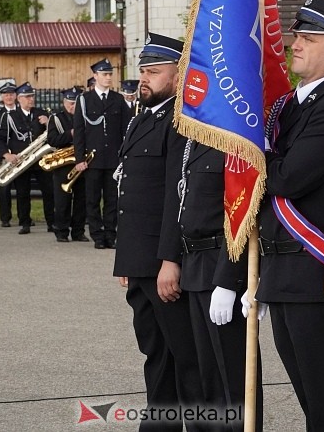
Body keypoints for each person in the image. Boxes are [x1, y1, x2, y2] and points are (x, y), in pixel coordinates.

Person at [253, 0, 324, 431]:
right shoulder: (289, 106)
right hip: (284, 272)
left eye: (307, 37)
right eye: (295, 36)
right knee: (311, 400)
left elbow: (289, 178)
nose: (294, 44)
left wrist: (253, 152)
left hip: (318, 272)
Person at [113, 33, 204, 426]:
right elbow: (131, 192)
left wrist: (171, 259)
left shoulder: (180, 120)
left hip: (162, 263)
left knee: (186, 358)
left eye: (153, 71)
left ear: (179, 73)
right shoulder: (143, 117)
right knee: (156, 353)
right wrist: (127, 261)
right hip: (140, 260)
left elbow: (175, 195)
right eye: (142, 70)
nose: (144, 78)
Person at [178, 139, 261, 429]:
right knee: (209, 378)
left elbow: (243, 213)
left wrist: (228, 279)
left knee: (234, 380)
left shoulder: (233, 139)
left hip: (222, 266)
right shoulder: (199, 139)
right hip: (195, 266)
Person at [73, 59, 127, 249]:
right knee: (93, 199)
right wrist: (80, 158)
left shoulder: (118, 99)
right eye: (104, 74)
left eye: (110, 74)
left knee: (113, 200)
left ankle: (110, 235)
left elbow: (125, 130)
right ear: (95, 76)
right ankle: (97, 235)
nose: (108, 78)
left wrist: (124, 156)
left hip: (113, 158)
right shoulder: (84, 100)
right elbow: (79, 131)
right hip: (92, 159)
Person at [0, 82, 34, 233]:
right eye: (6, 94)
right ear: (2, 97)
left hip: (21, 157)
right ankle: (5, 218)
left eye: (11, 94)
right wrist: (0, 157)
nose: (9, 97)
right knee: (5, 187)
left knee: (23, 189)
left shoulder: (22, 112)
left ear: (16, 96)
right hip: (4, 156)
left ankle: (24, 218)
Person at [46, 87, 88, 243]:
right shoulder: (56, 118)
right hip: (63, 163)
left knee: (81, 199)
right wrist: (69, 134)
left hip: (81, 161)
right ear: (64, 102)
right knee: (62, 200)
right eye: (70, 103)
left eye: (76, 104)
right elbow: (52, 140)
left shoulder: (85, 117)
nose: (73, 107)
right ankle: (61, 232)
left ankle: (78, 231)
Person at [16, 82, 54, 233]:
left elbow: (55, 131)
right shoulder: (12, 116)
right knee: (22, 192)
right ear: (19, 99)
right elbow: (1, 137)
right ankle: (25, 223)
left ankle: (51, 222)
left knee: (49, 191)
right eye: (27, 97)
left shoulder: (41, 113)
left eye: (32, 96)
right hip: (21, 160)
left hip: (40, 159)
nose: (30, 99)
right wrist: (7, 154)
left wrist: (48, 123)